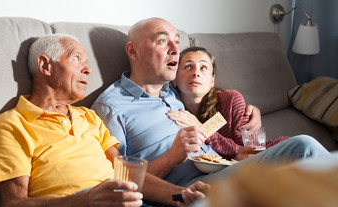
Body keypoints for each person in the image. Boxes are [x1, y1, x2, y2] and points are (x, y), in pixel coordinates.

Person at [0, 34, 209, 207]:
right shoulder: (11, 124)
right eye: (77, 60)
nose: (88, 70)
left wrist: (183, 195)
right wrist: (88, 202)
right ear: (45, 65)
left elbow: (127, 175)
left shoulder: (88, 117)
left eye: (88, 63)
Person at [91, 17, 330, 187]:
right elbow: (119, 178)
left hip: (225, 166)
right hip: (191, 187)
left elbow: (215, 100)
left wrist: (254, 110)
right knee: (303, 147)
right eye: (163, 41)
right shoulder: (112, 106)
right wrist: (171, 158)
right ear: (132, 52)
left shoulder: (171, 93)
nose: (176, 49)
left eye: (177, 41)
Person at [167, 46, 289, 160]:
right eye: (188, 66)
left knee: (303, 143)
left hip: (267, 156)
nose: (196, 73)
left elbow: (248, 152)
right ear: (175, 79)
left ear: (212, 81)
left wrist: (201, 129)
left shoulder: (231, 100)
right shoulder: (169, 104)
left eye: (203, 67)